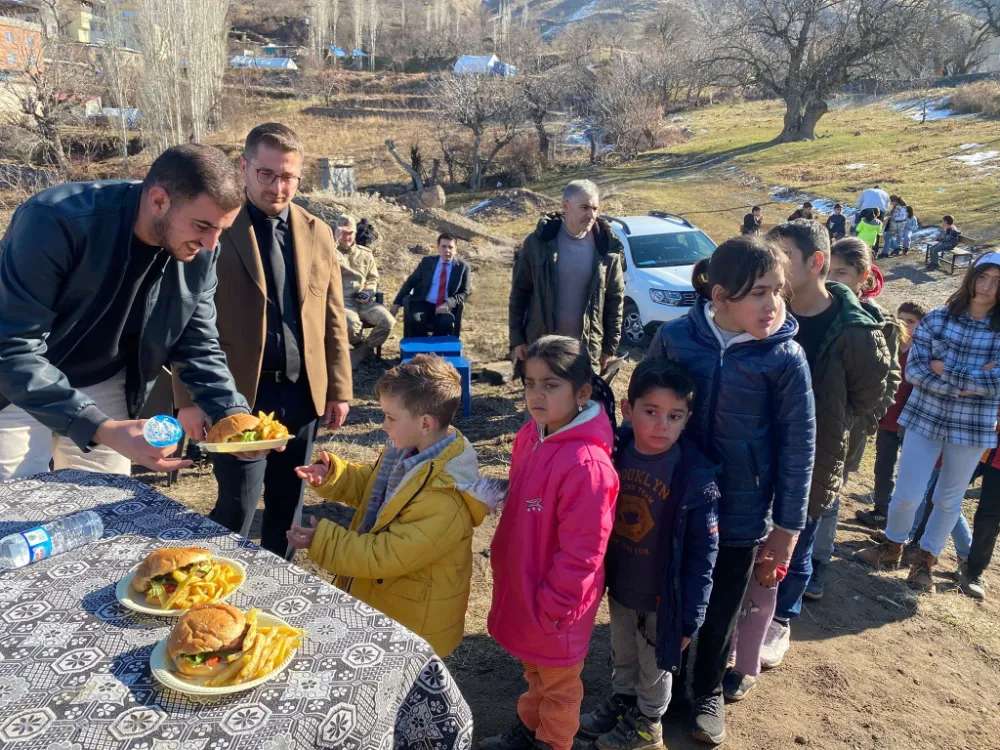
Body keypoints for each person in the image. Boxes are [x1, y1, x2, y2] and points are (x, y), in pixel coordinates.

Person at [645, 236, 814, 745]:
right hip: (677, 500)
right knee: (668, 594)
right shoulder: (676, 338)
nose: (772, 304)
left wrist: (787, 529)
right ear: (720, 295)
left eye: (777, 291)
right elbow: (645, 411)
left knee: (722, 606)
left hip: (742, 507)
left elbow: (797, 448)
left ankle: (707, 690)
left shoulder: (786, 357)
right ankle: (658, 687)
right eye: (758, 292)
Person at [0, 144, 253, 481]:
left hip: (105, 382)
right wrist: (99, 427)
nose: (210, 244)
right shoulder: (54, 220)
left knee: (98, 506)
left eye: (222, 230)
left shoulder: (202, 252)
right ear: (159, 201)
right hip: (16, 386)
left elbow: (198, 342)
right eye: (202, 226)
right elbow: (12, 346)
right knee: (14, 505)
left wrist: (232, 414)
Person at [173, 123, 353, 560]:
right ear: (244, 168)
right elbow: (182, 315)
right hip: (236, 395)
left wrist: (338, 388)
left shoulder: (319, 232)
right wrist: (189, 398)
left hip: (300, 393)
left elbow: (332, 316)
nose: (277, 186)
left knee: (288, 507)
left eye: (287, 176)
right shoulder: (215, 227)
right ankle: (212, 585)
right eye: (266, 174)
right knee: (236, 505)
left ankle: (277, 585)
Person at [287, 354, 499, 656]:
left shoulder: (443, 496)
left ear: (425, 423)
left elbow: (384, 555)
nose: (384, 425)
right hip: (388, 604)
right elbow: (376, 489)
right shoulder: (409, 453)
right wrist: (335, 476)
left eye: (390, 417)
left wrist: (323, 540)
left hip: (412, 630)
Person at [759, 222, 889, 668]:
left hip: (816, 454)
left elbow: (872, 395)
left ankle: (780, 620)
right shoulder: (765, 309)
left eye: (783, 258)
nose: (772, 268)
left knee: (798, 536)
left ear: (816, 263)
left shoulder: (853, 329)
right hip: (758, 445)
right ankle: (748, 612)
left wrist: (837, 429)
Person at [481, 336, 619, 750]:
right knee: (536, 671)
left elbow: (584, 552)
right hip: (527, 585)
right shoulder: (530, 435)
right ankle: (530, 729)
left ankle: (553, 742)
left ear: (582, 393)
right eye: (529, 383)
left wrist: (556, 605)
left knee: (559, 684)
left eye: (551, 385)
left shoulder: (587, 466)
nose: (536, 394)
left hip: (557, 604)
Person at [579, 359, 719, 750]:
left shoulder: (694, 476)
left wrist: (691, 619)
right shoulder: (613, 453)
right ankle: (623, 702)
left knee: (655, 664)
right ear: (628, 409)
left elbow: (702, 555)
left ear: (687, 418)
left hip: (664, 597)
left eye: (674, 416)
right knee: (622, 651)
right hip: (622, 584)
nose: (662, 425)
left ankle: (649, 722)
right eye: (651, 412)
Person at [857, 255, 1000, 591]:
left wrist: (944, 370)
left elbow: (997, 384)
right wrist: (973, 380)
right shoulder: (937, 318)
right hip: (925, 418)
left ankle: (925, 561)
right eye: (984, 277)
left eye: (997, 281)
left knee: (949, 499)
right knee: (907, 493)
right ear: (971, 277)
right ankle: (892, 546)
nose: (988, 288)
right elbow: (915, 371)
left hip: (973, 427)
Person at [804, 238, 901, 600]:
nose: (833, 278)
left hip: (847, 429)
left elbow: (887, 381)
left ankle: (818, 562)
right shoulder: (813, 310)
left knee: (827, 498)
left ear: (862, 277)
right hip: (810, 420)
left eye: (842, 272)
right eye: (828, 271)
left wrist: (864, 417)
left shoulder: (875, 322)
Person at [509, 180, 625, 372]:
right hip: (543, 346)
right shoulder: (537, 244)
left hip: (587, 349)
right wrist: (517, 338)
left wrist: (609, 346)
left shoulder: (607, 249)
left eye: (595, 208)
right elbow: (519, 292)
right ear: (565, 207)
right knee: (544, 396)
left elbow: (615, 299)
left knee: (584, 400)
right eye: (585, 207)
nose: (591, 215)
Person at [856, 301, 929, 530]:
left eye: (912, 321)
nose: (905, 325)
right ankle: (880, 511)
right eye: (902, 319)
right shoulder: (888, 346)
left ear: (921, 325)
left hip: (911, 423)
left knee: (909, 474)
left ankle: (905, 521)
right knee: (883, 467)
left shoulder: (922, 353)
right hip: (887, 420)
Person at [334, 214, 396, 367]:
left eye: (350, 233)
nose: (346, 237)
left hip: (363, 301)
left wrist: (368, 292)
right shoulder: (329, 252)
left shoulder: (365, 254)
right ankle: (362, 350)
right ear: (336, 232)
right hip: (342, 300)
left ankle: (363, 350)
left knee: (387, 321)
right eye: (342, 232)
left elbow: (373, 278)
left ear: (355, 233)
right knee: (352, 323)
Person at [391, 233, 472, 338]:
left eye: (450, 247)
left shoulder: (462, 267)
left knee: (444, 324)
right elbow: (411, 282)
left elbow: (465, 292)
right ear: (438, 247)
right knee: (416, 322)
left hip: (445, 306)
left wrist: (449, 303)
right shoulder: (427, 262)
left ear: (455, 250)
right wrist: (397, 303)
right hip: (423, 303)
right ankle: (418, 352)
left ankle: (438, 352)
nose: (447, 250)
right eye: (443, 246)